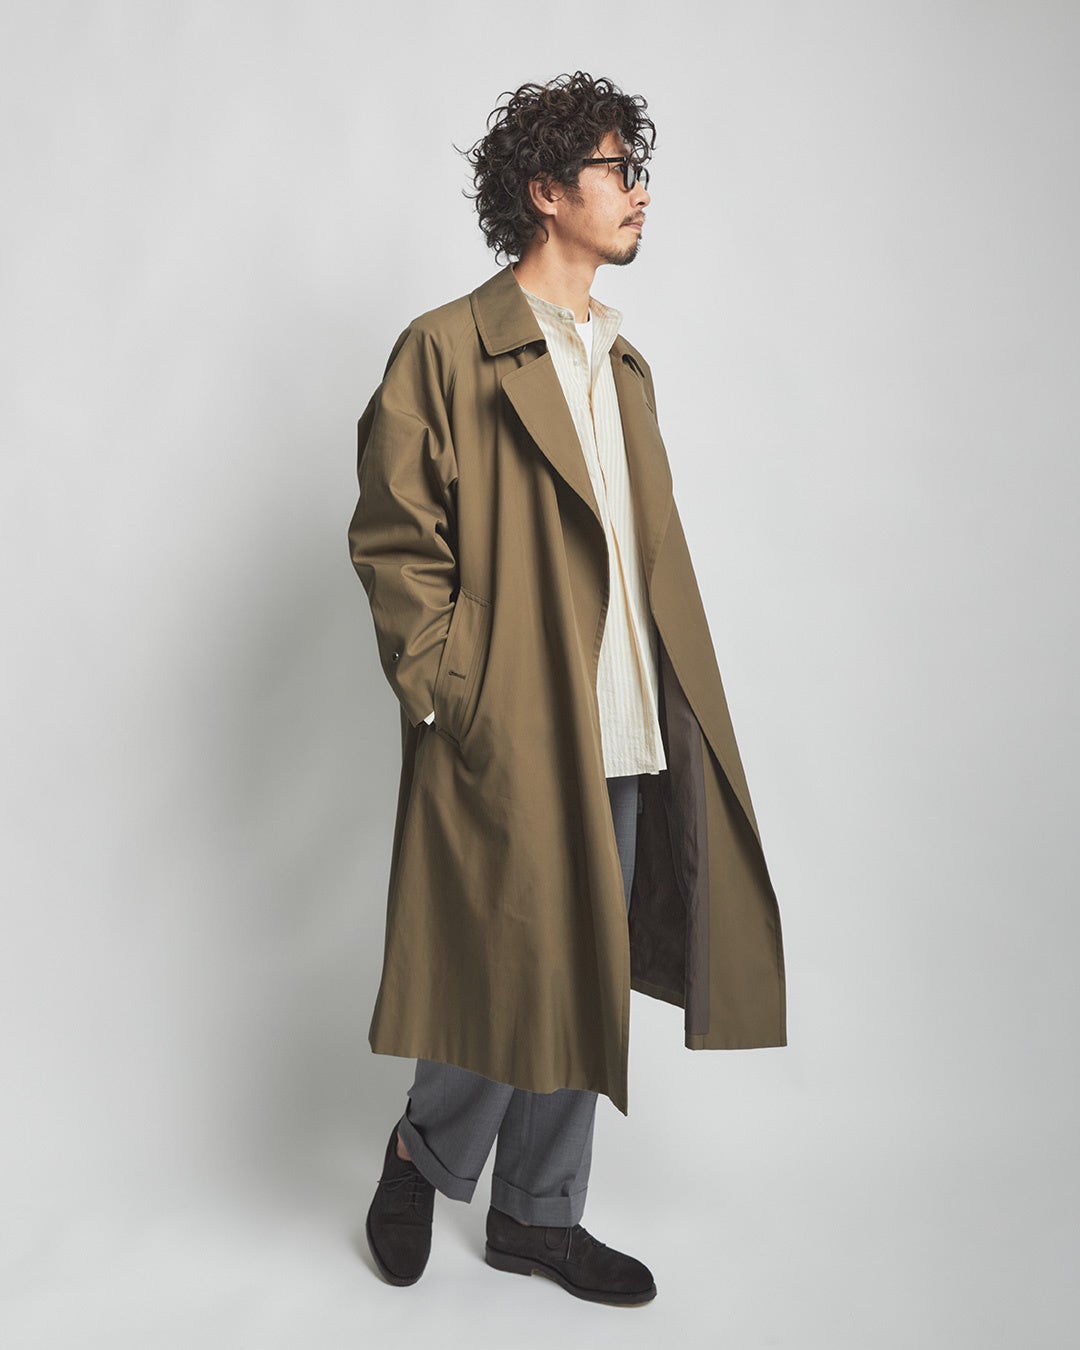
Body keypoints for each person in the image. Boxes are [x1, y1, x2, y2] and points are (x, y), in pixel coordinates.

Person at [348, 71, 787, 1305]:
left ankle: (539, 1217)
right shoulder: (447, 347)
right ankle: (423, 1152)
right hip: (514, 722)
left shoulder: (624, 362)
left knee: (586, 978)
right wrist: (457, 691)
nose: (638, 192)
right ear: (547, 192)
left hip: (629, 716)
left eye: (636, 170)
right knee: (511, 965)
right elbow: (395, 538)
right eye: (615, 169)